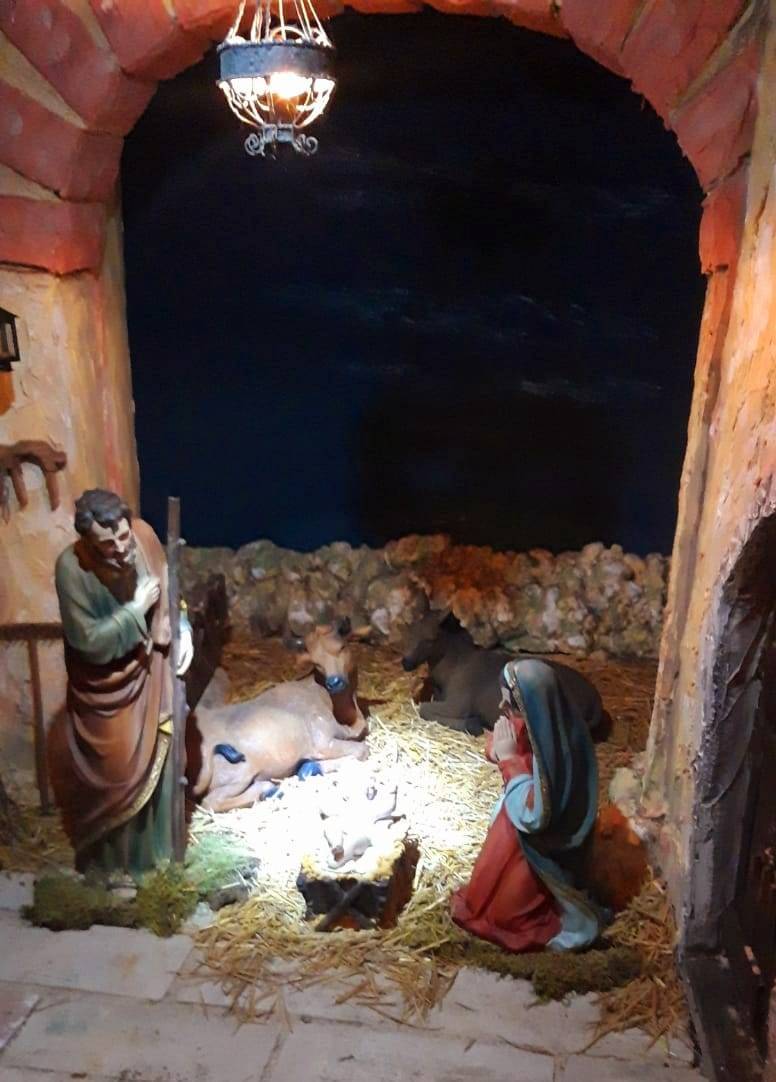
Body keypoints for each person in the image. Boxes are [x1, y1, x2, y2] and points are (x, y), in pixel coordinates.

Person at [49, 489, 193, 879]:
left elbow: (170, 586)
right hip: (106, 688)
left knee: (164, 750)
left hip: (153, 669)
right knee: (116, 770)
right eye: (107, 543)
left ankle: (161, 854)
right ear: (87, 542)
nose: (120, 548)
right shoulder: (71, 568)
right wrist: (135, 610)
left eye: (123, 536)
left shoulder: (144, 537)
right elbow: (87, 640)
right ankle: (116, 866)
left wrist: (180, 626)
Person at [451, 658, 602, 952]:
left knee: (508, 916)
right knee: (484, 893)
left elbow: (535, 814)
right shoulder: (531, 725)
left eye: (511, 705)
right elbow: (503, 747)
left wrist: (509, 760)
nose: (501, 708)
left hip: (536, 849)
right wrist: (501, 752)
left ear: (533, 707)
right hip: (511, 832)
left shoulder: (557, 746)